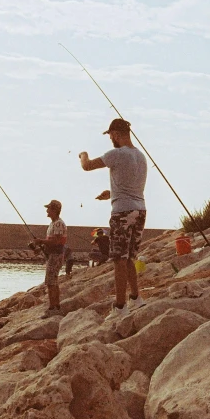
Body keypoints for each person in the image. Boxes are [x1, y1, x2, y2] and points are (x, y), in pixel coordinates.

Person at [79, 118, 147, 318]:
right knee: (130, 258)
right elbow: (130, 185)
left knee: (119, 259)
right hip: (140, 210)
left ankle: (119, 307)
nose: (110, 139)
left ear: (116, 134)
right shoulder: (141, 157)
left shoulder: (116, 154)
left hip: (122, 212)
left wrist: (83, 155)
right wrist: (111, 193)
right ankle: (135, 299)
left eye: (110, 136)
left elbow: (87, 166)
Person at [31, 200, 67, 318]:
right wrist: (41, 248)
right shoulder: (52, 224)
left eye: (49, 209)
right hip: (52, 255)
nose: (47, 211)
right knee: (52, 282)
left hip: (56, 256)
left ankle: (53, 308)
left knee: (51, 282)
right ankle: (55, 307)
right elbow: (51, 242)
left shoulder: (58, 224)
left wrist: (40, 241)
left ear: (55, 210)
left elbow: (56, 242)